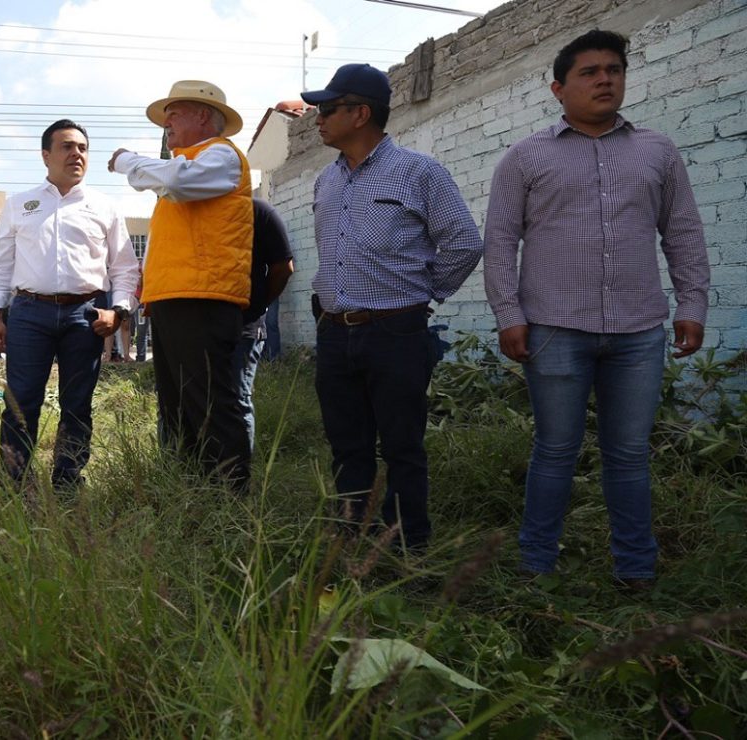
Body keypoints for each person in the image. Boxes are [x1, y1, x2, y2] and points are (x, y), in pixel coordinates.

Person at [484, 30, 709, 588]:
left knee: (629, 455)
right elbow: (499, 241)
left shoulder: (657, 151)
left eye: (614, 68)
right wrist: (508, 314)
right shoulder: (525, 157)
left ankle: (636, 569)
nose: (606, 78)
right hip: (555, 329)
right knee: (556, 450)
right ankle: (537, 564)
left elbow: (681, 231)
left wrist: (693, 303)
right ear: (559, 88)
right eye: (590, 71)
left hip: (638, 332)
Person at [301, 64, 482, 550]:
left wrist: (419, 296)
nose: (317, 119)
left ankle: (406, 546)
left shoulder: (419, 173)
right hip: (335, 332)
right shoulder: (326, 181)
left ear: (360, 114)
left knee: (402, 447)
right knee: (346, 445)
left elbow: (464, 244)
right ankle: (351, 538)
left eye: (327, 109)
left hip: (395, 333)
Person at [108, 80, 253, 492]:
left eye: (174, 113)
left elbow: (176, 180)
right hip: (178, 301)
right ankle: (191, 492)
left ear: (203, 115)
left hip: (202, 301)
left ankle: (229, 499)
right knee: (179, 408)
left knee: (208, 405)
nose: (166, 122)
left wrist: (126, 161)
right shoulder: (191, 164)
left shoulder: (220, 156)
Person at [0, 119, 139, 490]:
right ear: (46, 155)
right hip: (28, 313)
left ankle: (68, 481)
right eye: (67, 147)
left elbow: (124, 267)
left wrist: (117, 311)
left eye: (83, 148)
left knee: (78, 400)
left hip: (85, 315)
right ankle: (15, 482)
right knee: (21, 400)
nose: (77, 154)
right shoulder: (21, 204)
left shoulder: (104, 206)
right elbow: (1, 263)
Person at [235, 199, 294, 451]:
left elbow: (284, 268)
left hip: (245, 327)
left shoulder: (260, 212)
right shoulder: (193, 207)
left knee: (237, 401)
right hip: (201, 329)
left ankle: (238, 480)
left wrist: (258, 304)